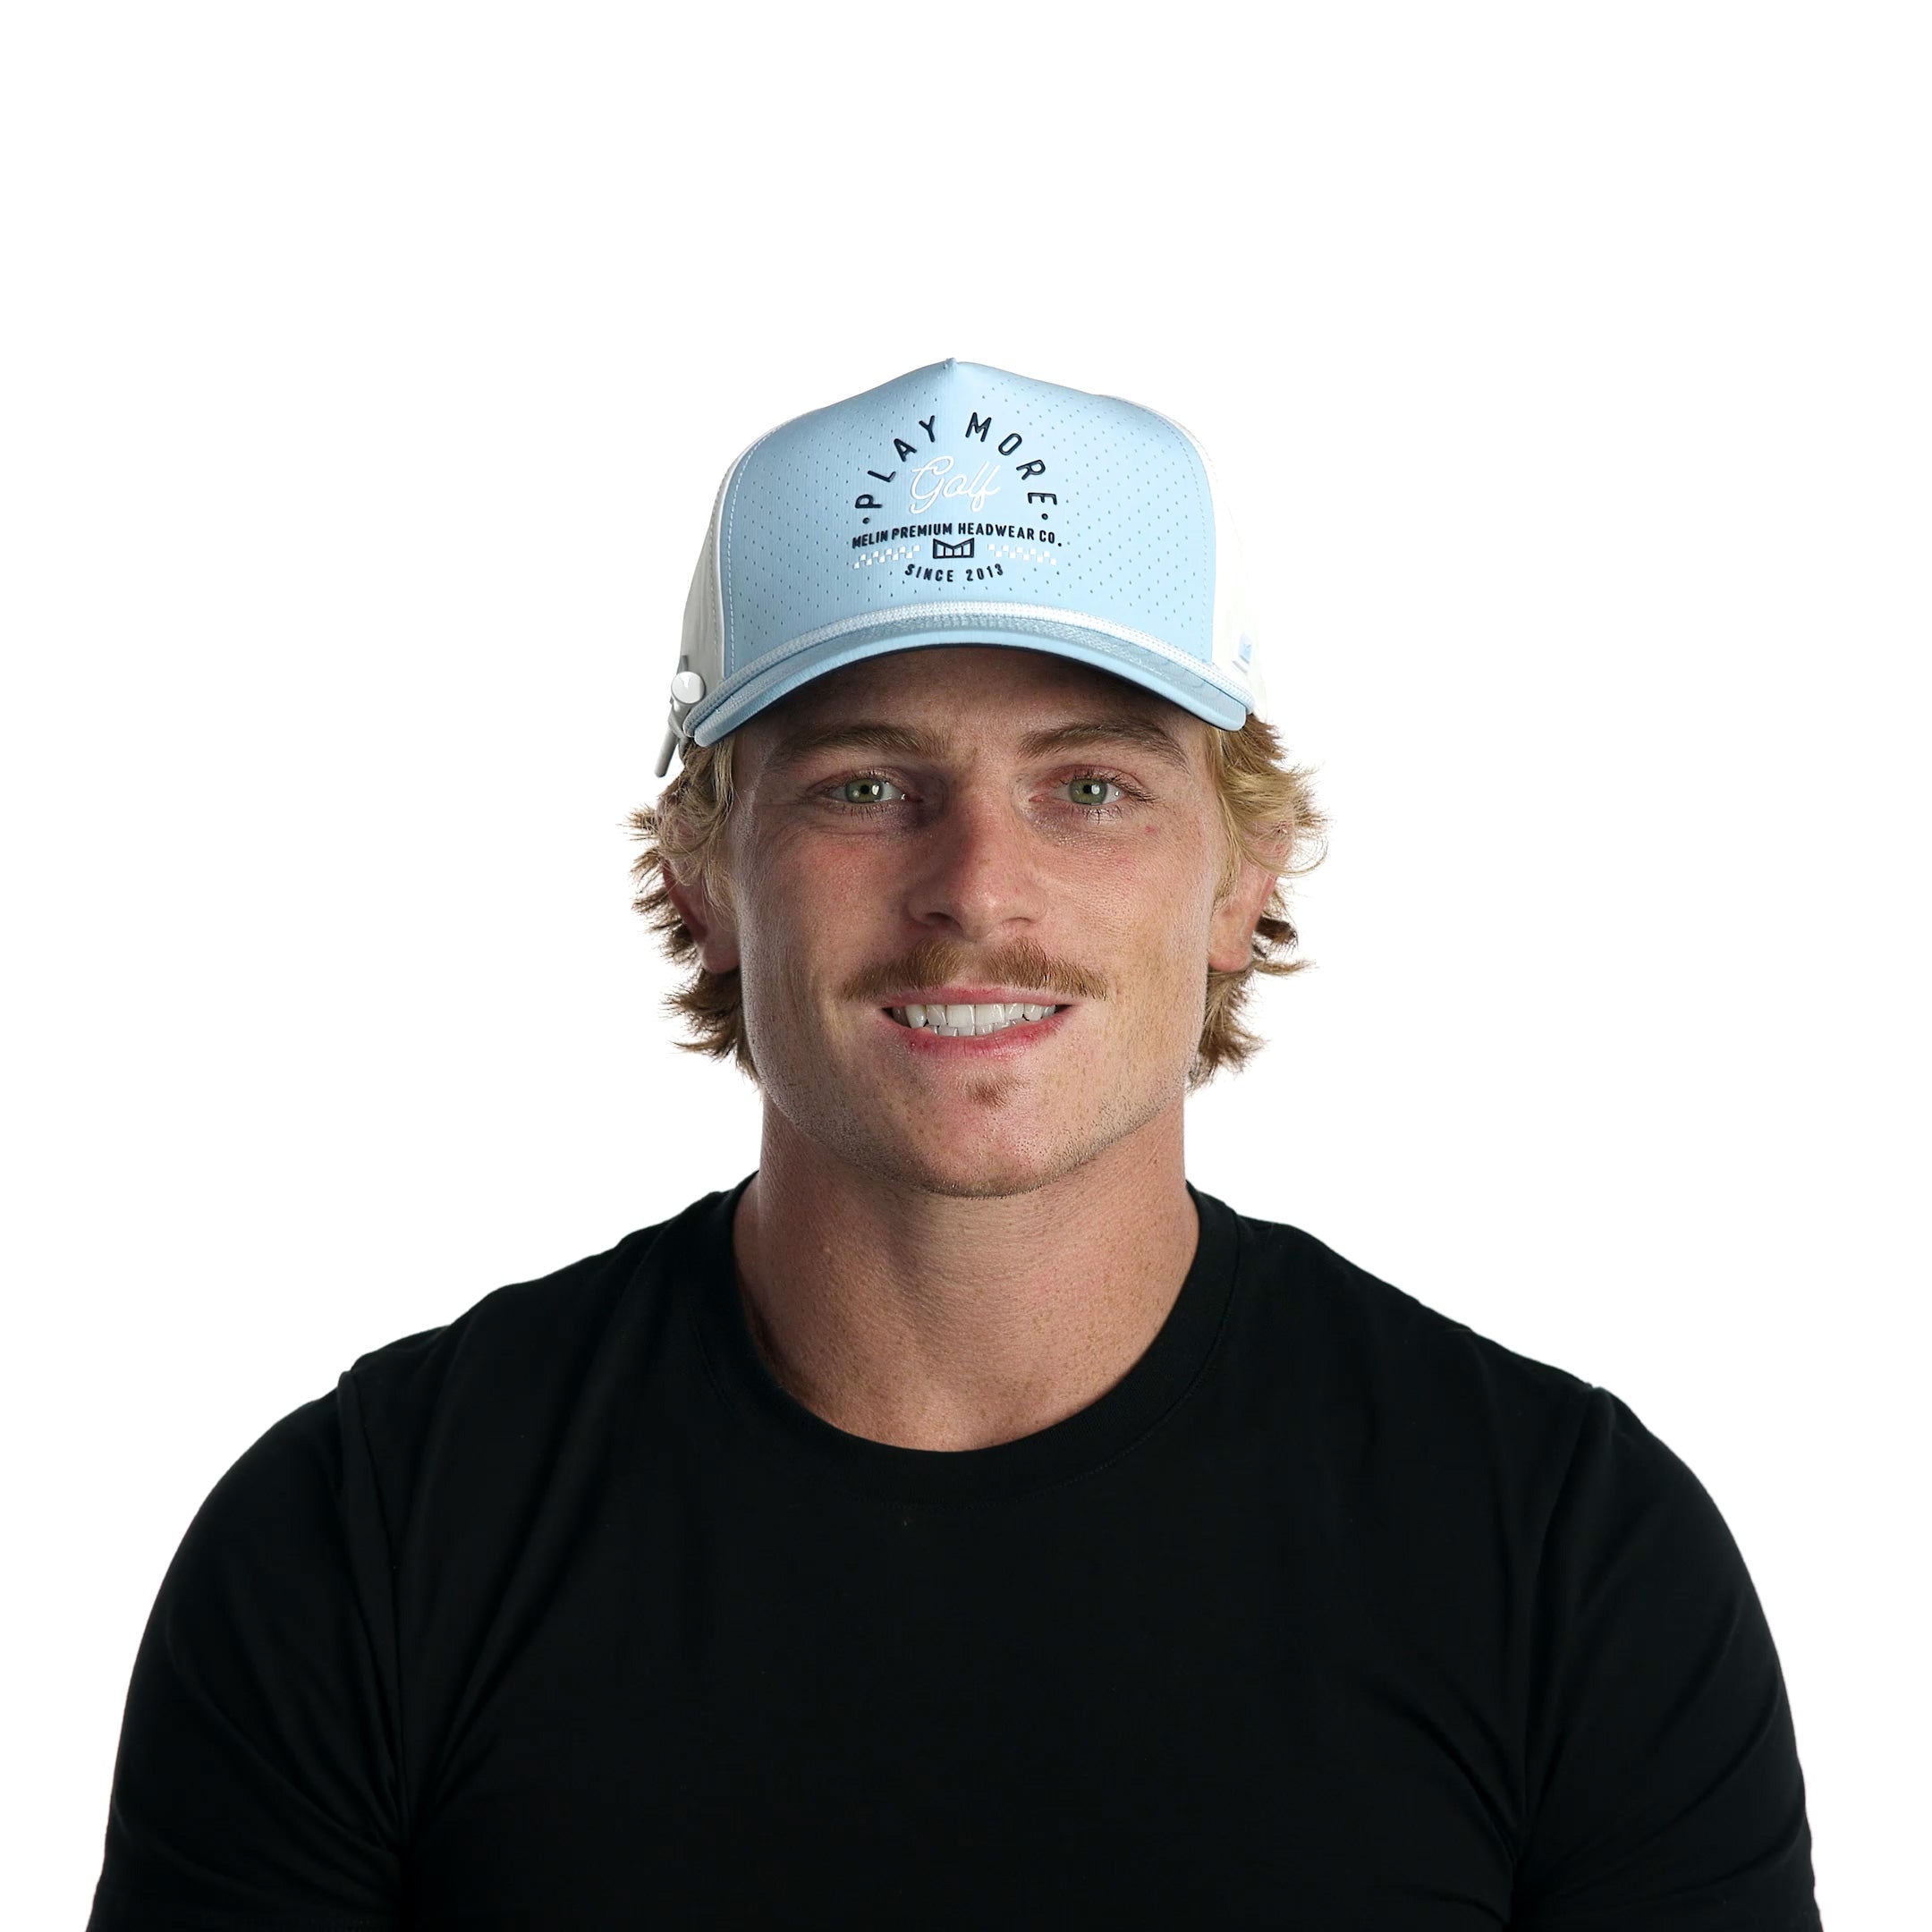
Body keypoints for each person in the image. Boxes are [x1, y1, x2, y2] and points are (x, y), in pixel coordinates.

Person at [87, 360, 1821, 1928]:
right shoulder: (368, 1540)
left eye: (1091, 787)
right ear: (702, 876)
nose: (978, 889)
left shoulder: (1564, 1553)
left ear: (1242, 876)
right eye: (863, 785)